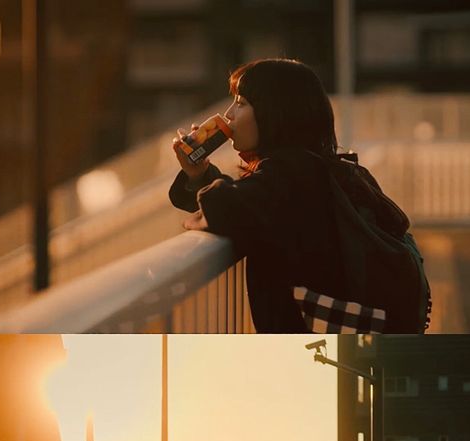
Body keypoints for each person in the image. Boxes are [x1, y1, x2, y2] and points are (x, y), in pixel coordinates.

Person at [169, 58, 430, 334]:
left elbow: (226, 209)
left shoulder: (289, 172)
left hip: (312, 350)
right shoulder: (318, 168)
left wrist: (204, 177)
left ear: (275, 113)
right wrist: (201, 175)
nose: (229, 115)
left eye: (241, 103)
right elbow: (248, 202)